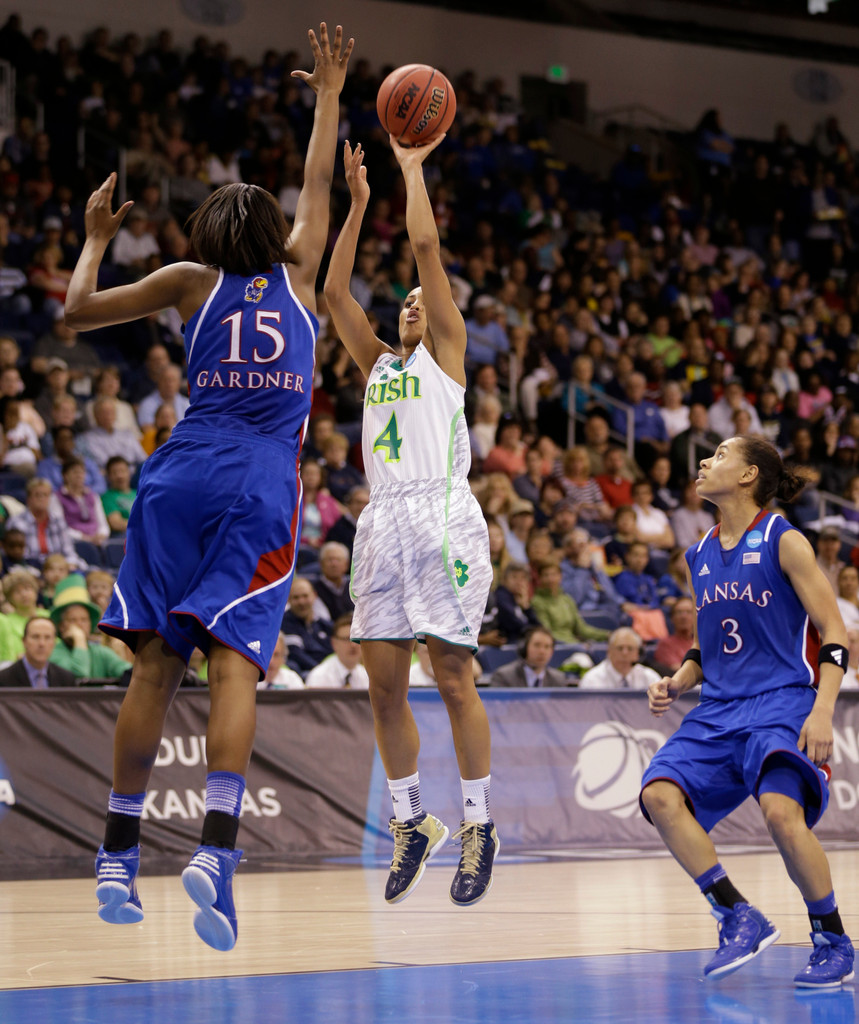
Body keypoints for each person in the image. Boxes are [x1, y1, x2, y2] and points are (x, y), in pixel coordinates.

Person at [62, 23, 354, 951]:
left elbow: (73, 314)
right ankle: (214, 849)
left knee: (154, 662)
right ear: (275, 234)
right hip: (258, 482)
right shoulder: (301, 277)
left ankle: (116, 850)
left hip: (177, 471)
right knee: (235, 665)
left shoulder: (192, 281)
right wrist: (327, 97)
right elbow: (316, 182)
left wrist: (94, 239)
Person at [324, 135, 498, 908]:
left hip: (442, 513)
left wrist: (410, 168)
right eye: (406, 301)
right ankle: (410, 821)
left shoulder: (447, 355)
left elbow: (425, 242)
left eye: (424, 300)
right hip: (382, 522)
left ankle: (478, 824)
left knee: (452, 679)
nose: (414, 304)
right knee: (383, 688)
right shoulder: (378, 366)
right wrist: (356, 206)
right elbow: (334, 297)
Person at [640, 436, 854, 986]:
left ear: (748, 475)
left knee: (782, 814)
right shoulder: (699, 552)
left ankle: (831, 938)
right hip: (718, 709)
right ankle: (737, 912)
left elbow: (834, 632)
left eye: (719, 454)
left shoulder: (786, 541)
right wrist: (680, 678)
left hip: (783, 700)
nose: (705, 461)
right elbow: (708, 644)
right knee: (658, 796)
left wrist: (824, 708)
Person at [0, 616, 77, 688]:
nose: (42, 643)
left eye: (47, 637)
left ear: (54, 642)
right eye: (35, 637)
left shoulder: (66, 679)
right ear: (24, 641)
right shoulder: (3, 679)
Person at [280, 575, 334, 676]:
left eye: (305, 596)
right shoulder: (284, 623)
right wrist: (323, 672)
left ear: (314, 596)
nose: (301, 602)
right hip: (306, 674)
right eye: (296, 597)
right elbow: (296, 655)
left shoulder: (324, 624)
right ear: (288, 599)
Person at [482, 625, 569, 688]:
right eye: (537, 645)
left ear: (552, 652)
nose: (542, 651)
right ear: (524, 648)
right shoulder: (504, 676)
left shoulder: (558, 679)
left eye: (547, 647)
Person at [578, 626, 659, 690]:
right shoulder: (592, 679)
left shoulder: (650, 678)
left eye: (630, 648)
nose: (625, 653)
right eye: (620, 648)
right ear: (609, 651)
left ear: (637, 653)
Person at [304, 613, 370, 689]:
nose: (353, 645)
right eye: (347, 639)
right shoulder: (319, 676)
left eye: (357, 640)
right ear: (334, 643)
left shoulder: (367, 676)